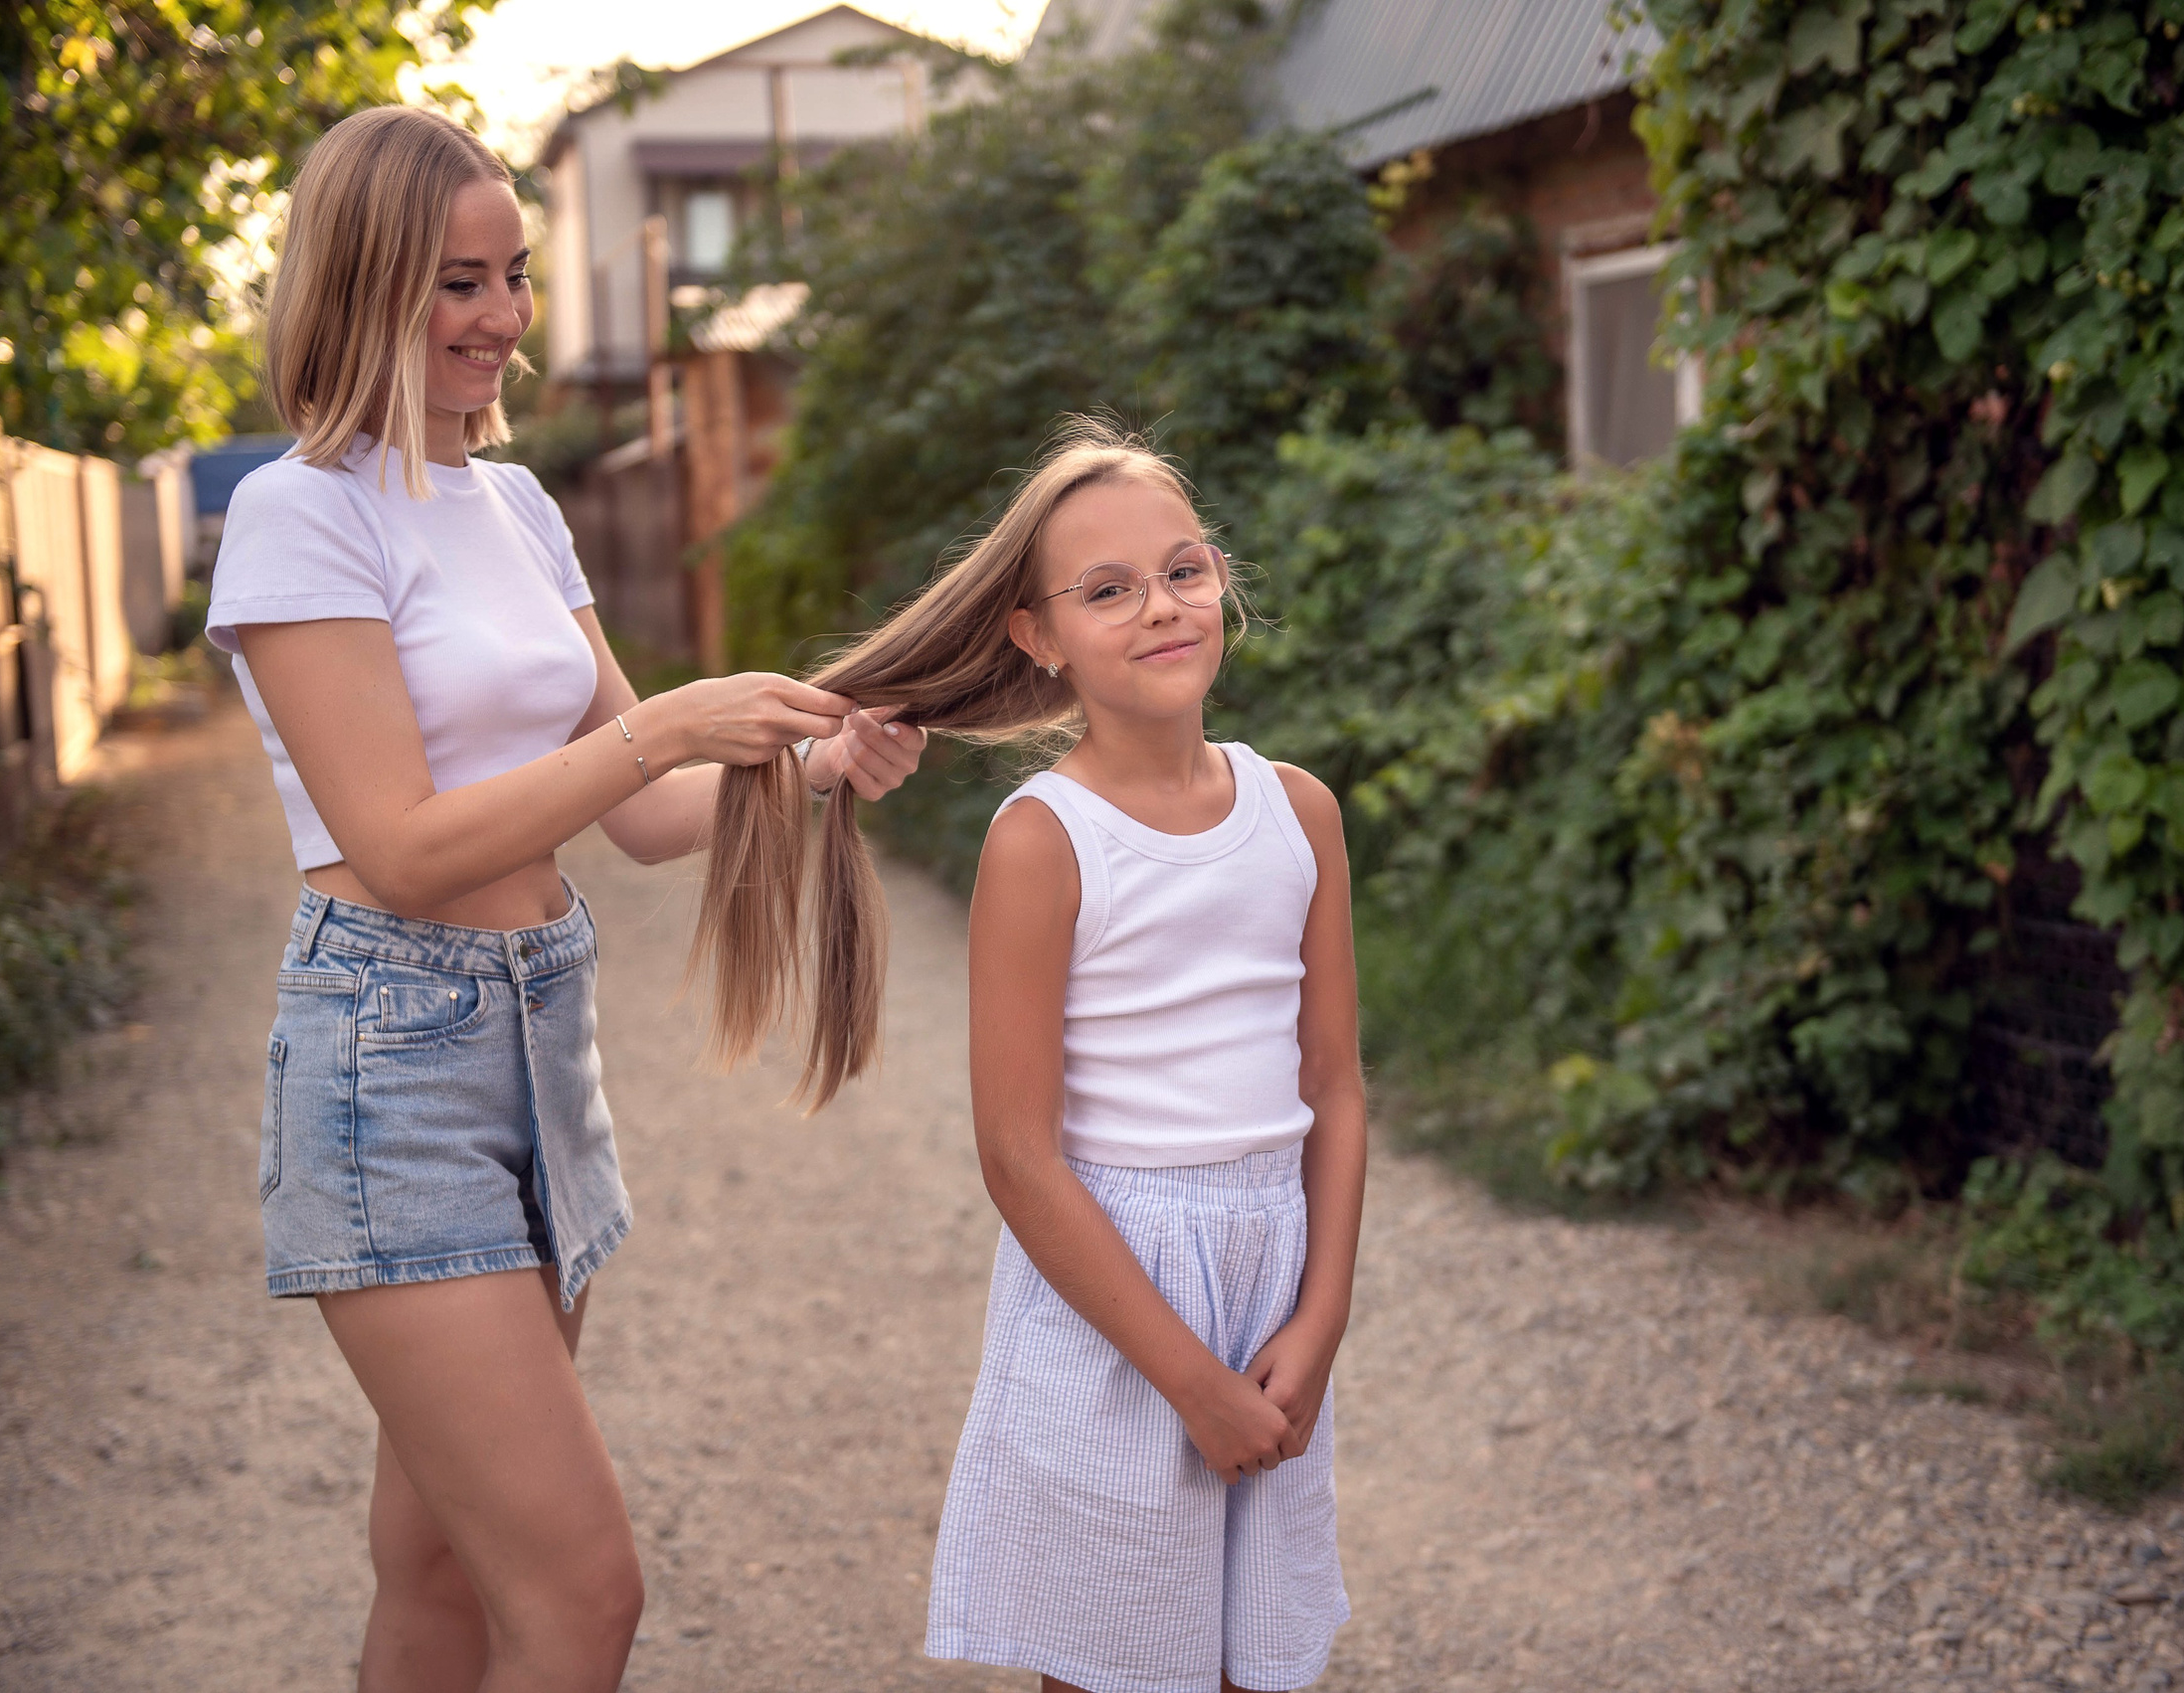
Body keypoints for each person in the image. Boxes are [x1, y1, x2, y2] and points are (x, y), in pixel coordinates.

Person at [204, 105, 924, 1693]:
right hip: (393, 1054)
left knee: (444, 1561)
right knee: (586, 1594)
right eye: (458, 282)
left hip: (541, 1038)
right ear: (365, 283)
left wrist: (806, 765)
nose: (503, 318)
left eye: (515, 275)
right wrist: (661, 720)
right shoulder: (297, 512)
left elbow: (654, 817)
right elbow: (396, 844)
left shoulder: (519, 509)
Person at [711, 421, 1364, 1692]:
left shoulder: (1300, 810)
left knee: (1251, 1665)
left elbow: (1332, 1082)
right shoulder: (1043, 838)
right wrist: (1190, 1380)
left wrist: (1323, 1311)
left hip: (1271, 1284)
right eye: (1107, 590)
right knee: (1110, 1662)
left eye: (1183, 569)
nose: (1161, 608)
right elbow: (1017, 1155)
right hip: (1114, 1314)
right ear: (1037, 634)